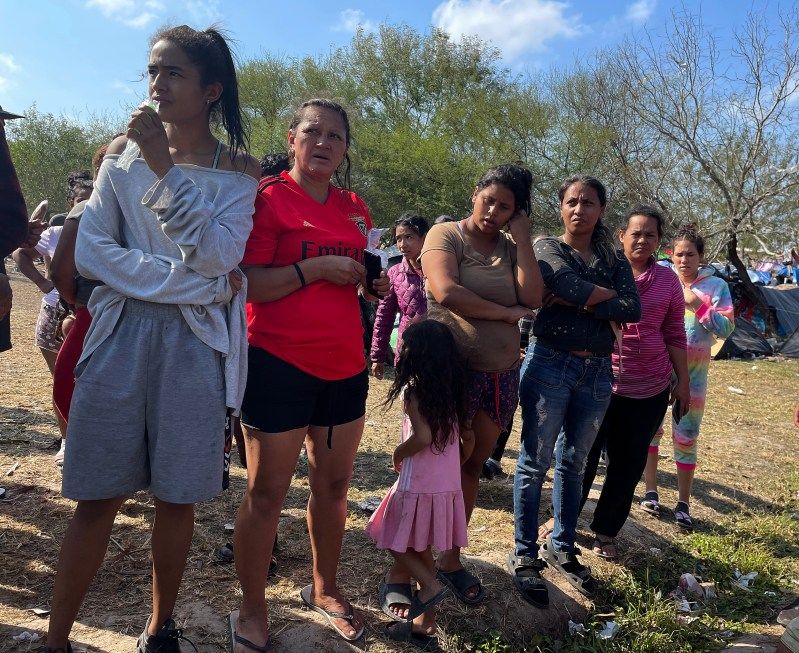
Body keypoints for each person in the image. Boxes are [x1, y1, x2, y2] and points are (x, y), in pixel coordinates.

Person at [43, 25, 259, 653]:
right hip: (116, 338)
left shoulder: (238, 169)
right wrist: (184, 283)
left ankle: (159, 627)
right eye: (152, 72)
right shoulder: (119, 157)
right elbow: (93, 251)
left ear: (211, 89)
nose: (157, 86)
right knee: (96, 496)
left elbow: (219, 254)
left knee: (176, 496)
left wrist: (164, 169)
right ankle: (56, 638)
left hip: (193, 349)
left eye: (173, 74)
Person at [231, 98, 388, 649]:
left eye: (335, 136)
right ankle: (251, 608)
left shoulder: (356, 209)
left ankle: (324, 587)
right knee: (267, 491)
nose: (324, 143)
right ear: (292, 136)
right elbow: (246, 282)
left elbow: (365, 273)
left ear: (344, 150)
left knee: (336, 485)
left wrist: (373, 284)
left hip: (345, 365)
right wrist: (315, 269)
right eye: (313, 132)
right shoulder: (268, 199)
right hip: (277, 362)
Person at [510, 175, 640, 606]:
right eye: (572, 202)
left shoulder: (610, 254)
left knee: (576, 463)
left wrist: (579, 298)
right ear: (561, 207)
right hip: (550, 363)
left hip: (599, 370)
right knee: (534, 462)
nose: (579, 209)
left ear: (602, 210)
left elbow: (632, 307)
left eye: (588, 202)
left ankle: (562, 545)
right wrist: (598, 300)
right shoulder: (547, 248)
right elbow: (563, 285)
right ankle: (525, 554)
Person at [419, 163, 543, 607]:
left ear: (516, 213)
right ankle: (411, 562)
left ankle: (450, 559)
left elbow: (532, 298)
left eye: (505, 206)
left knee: (470, 467)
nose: (492, 211)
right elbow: (447, 292)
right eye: (488, 199)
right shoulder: (445, 236)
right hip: (449, 374)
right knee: (433, 468)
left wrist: (524, 240)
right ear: (475, 193)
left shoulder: (513, 248)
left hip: (499, 375)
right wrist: (506, 313)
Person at [576, 205, 689, 559]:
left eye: (650, 235)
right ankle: (565, 521)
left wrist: (682, 380)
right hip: (597, 381)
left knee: (627, 464)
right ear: (620, 236)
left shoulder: (668, 280)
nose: (642, 240)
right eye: (635, 233)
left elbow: (674, 332)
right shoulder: (602, 272)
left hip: (649, 389)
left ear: (660, 241)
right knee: (582, 456)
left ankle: (606, 531)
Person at [367, 319, 468, 648]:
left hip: (419, 482)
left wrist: (398, 452)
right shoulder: (453, 388)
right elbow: (467, 439)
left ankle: (428, 584)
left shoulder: (415, 389)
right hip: (444, 486)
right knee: (421, 547)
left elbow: (422, 437)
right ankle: (426, 627)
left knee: (392, 537)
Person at [640, 224, 734, 529]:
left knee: (686, 434)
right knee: (650, 431)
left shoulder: (715, 287)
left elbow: (726, 328)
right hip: (656, 367)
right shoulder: (662, 279)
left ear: (701, 256)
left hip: (693, 373)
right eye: (678, 254)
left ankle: (683, 502)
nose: (684, 260)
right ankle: (650, 491)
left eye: (690, 254)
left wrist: (696, 304)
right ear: (671, 254)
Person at [51, 148, 116, 465]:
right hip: (100, 313)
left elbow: (59, 272)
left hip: (99, 313)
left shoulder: (92, 208)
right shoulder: (88, 210)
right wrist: (79, 303)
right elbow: (59, 272)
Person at [370, 213, 430, 378]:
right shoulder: (395, 273)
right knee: (410, 400)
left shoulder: (441, 269)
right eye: (398, 239)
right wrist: (377, 356)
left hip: (441, 350)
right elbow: (384, 317)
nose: (402, 244)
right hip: (408, 351)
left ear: (425, 237)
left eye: (409, 237)